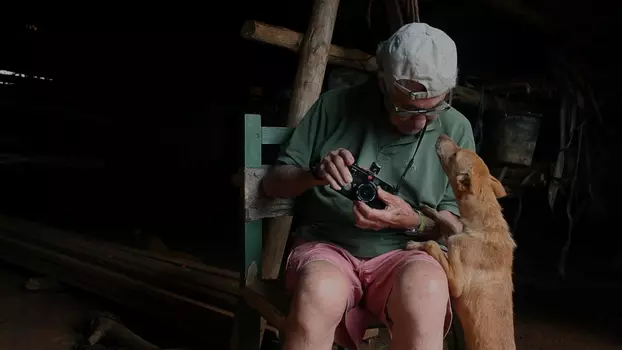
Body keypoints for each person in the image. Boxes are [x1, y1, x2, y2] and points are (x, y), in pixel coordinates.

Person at [262, 22, 475, 350]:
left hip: (407, 252)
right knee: (319, 291)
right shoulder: (335, 106)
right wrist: (314, 174)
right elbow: (274, 184)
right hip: (328, 246)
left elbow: (460, 227)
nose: (419, 122)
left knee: (429, 289)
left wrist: (415, 222)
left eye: (433, 111)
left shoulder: (457, 129)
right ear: (382, 83)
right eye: (406, 109)